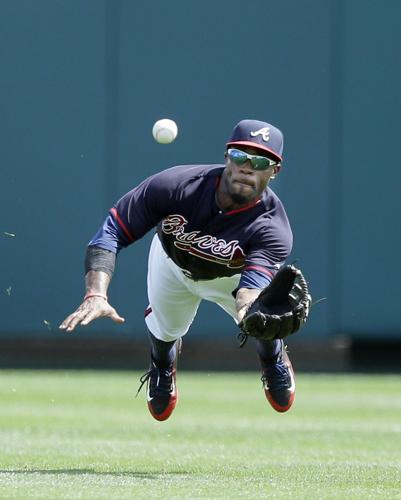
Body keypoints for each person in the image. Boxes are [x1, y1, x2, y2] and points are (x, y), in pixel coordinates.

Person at [59, 119, 296, 421]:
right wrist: (96, 293)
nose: (247, 167)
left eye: (260, 160)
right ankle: (161, 366)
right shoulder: (176, 185)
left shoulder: (273, 227)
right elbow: (111, 231)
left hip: (231, 277)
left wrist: (249, 310)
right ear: (227, 156)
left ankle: (272, 357)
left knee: (261, 316)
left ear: (274, 171)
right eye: (240, 156)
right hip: (173, 264)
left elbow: (250, 288)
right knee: (166, 330)